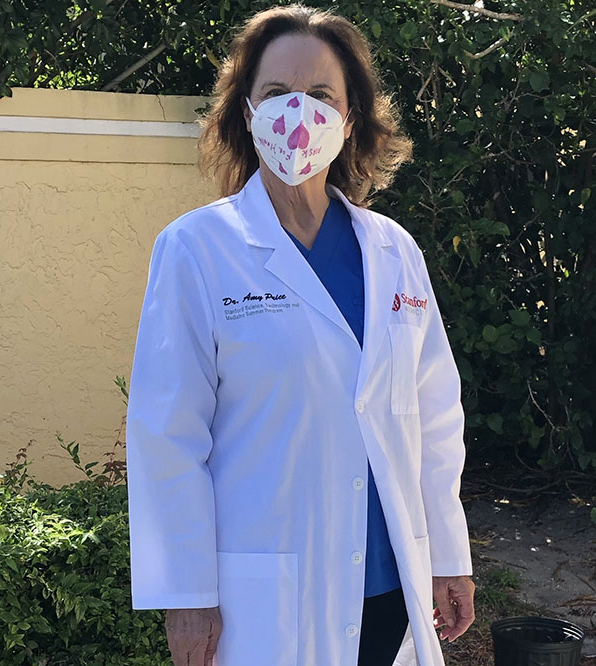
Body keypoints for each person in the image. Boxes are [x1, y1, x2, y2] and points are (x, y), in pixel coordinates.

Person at [126, 5, 475, 666]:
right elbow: (166, 438)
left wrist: (449, 556)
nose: (298, 113)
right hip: (269, 597)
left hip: (393, 583)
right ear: (247, 113)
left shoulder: (393, 251)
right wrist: (188, 596)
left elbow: (434, 418)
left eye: (319, 95)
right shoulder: (197, 250)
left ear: (350, 117)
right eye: (276, 94)